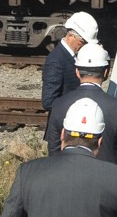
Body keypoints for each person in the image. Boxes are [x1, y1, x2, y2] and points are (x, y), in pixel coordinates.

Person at [43, 39, 117, 165]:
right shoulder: (116, 106)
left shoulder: (59, 104)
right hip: (106, 179)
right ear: (106, 72)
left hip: (67, 177)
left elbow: (53, 151)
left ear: (77, 72)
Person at [41, 10, 99, 151]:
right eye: (82, 42)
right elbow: (48, 101)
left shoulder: (71, 56)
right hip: (62, 134)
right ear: (71, 36)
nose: (84, 45)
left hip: (71, 132)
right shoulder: (56, 59)